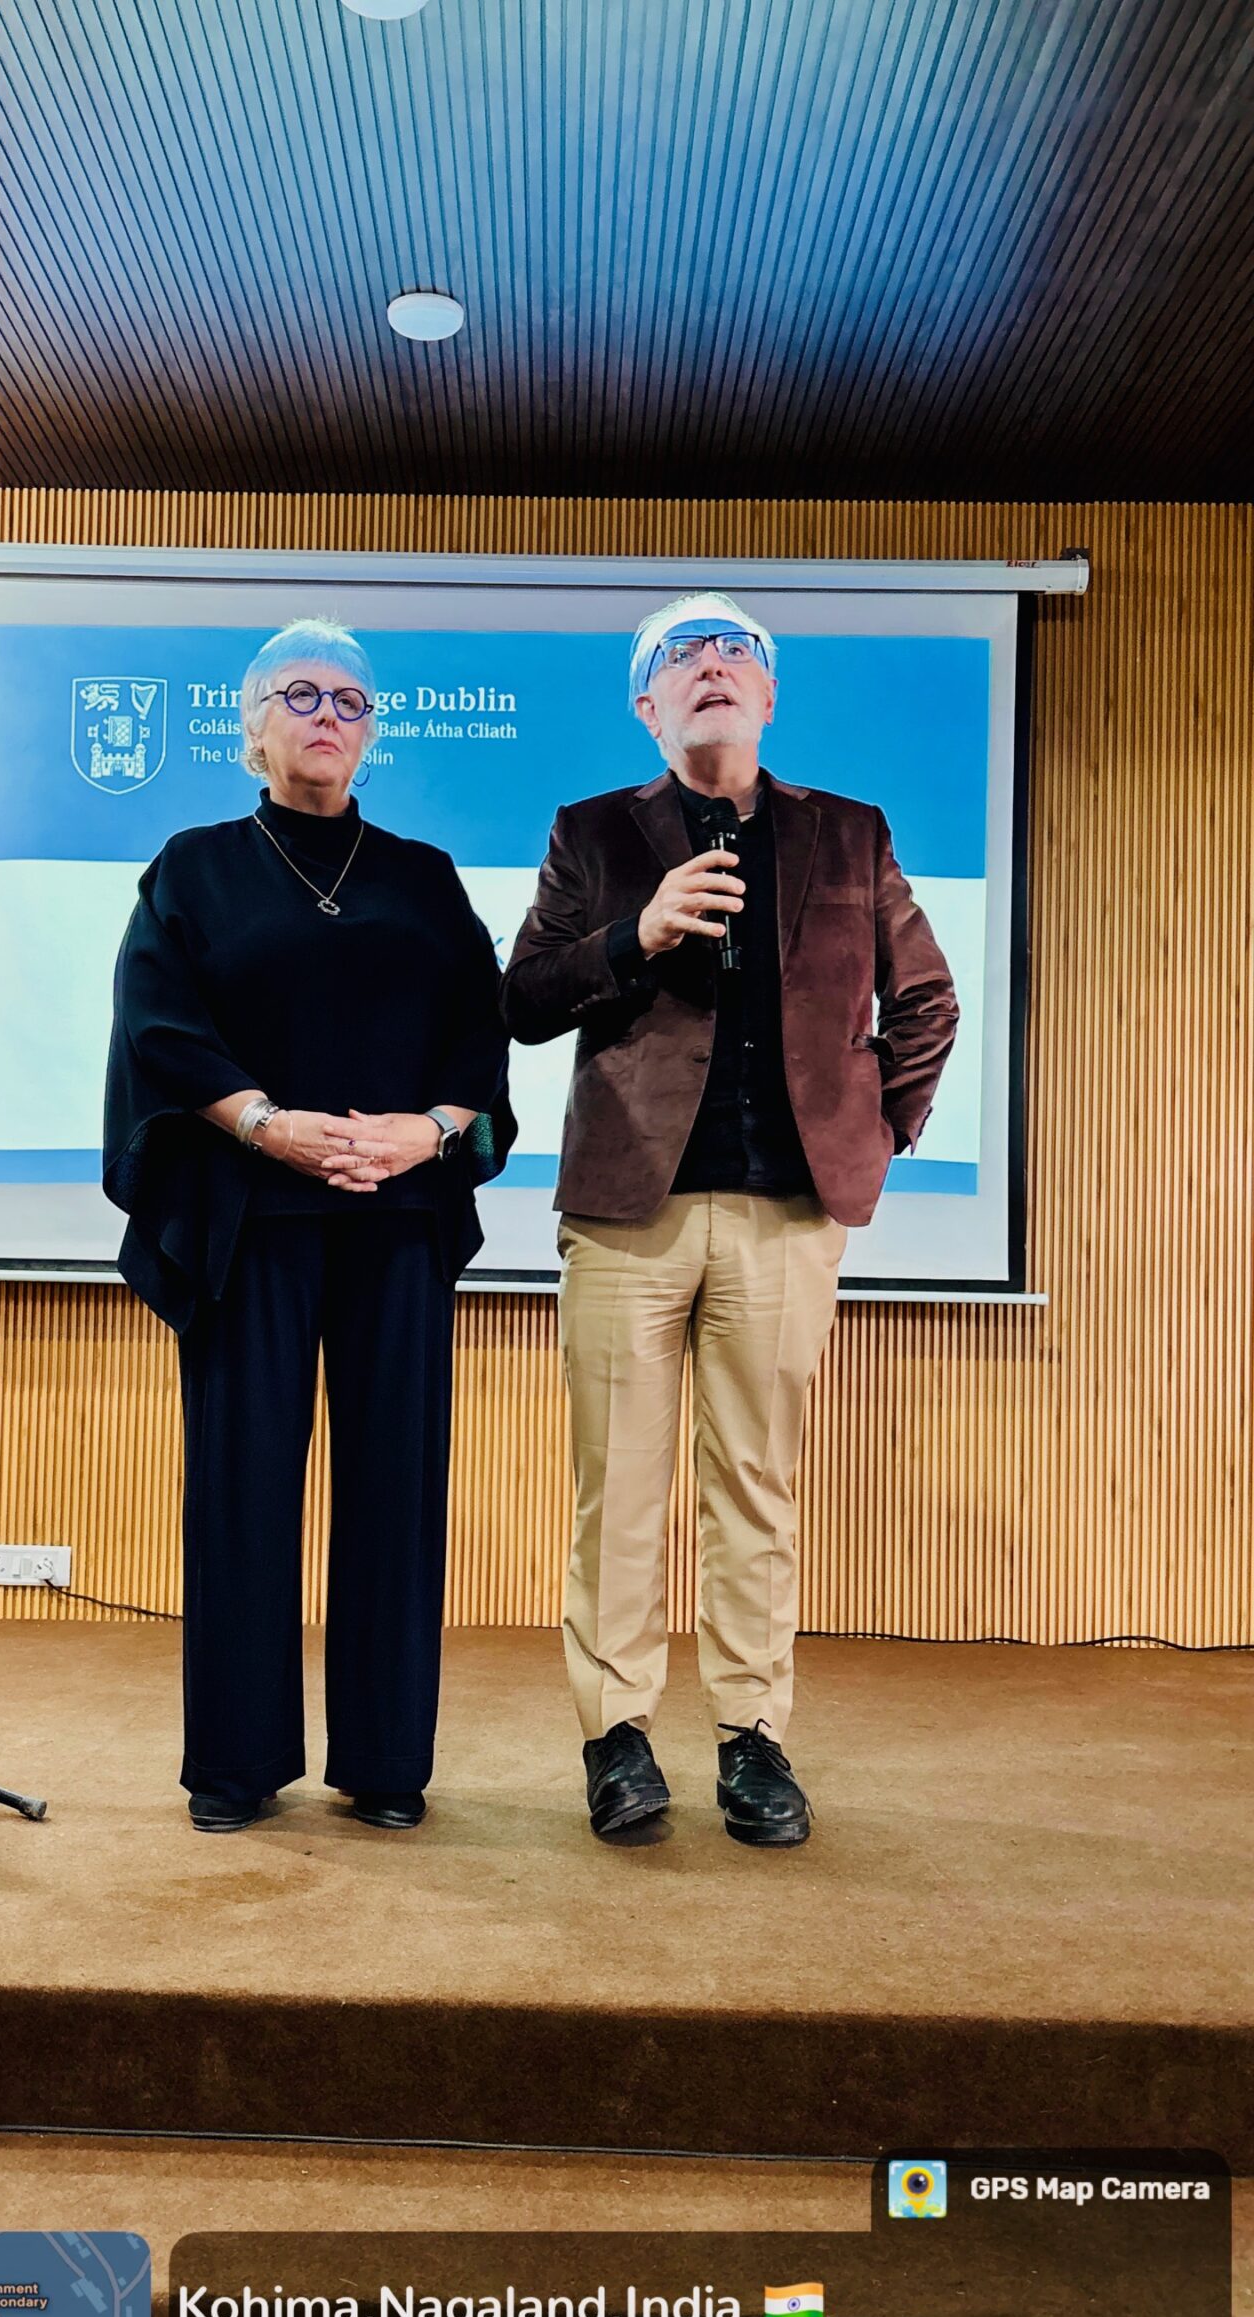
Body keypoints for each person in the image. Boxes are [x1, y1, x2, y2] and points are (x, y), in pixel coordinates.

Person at [502, 591, 957, 1847]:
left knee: (755, 1486)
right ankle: (616, 1736)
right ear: (645, 705)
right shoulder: (593, 831)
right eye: (679, 654)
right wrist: (633, 936)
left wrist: (875, 1135)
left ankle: (753, 1738)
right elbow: (523, 998)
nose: (711, 662)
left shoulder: (850, 833)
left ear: (768, 695)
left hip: (785, 1215)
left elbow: (926, 1002)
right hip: (626, 1213)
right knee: (619, 1489)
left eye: (735, 649)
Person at [103, 618, 513, 1834]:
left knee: (396, 1486)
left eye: (350, 701)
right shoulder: (194, 868)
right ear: (254, 725)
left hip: (399, 1215)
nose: (328, 716)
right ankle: (235, 1763)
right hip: (250, 1214)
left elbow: (479, 1039)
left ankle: (386, 1762)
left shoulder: (425, 878)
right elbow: (159, 1027)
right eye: (302, 695)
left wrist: (426, 1133)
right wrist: (266, 1124)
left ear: (371, 732)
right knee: (241, 1489)